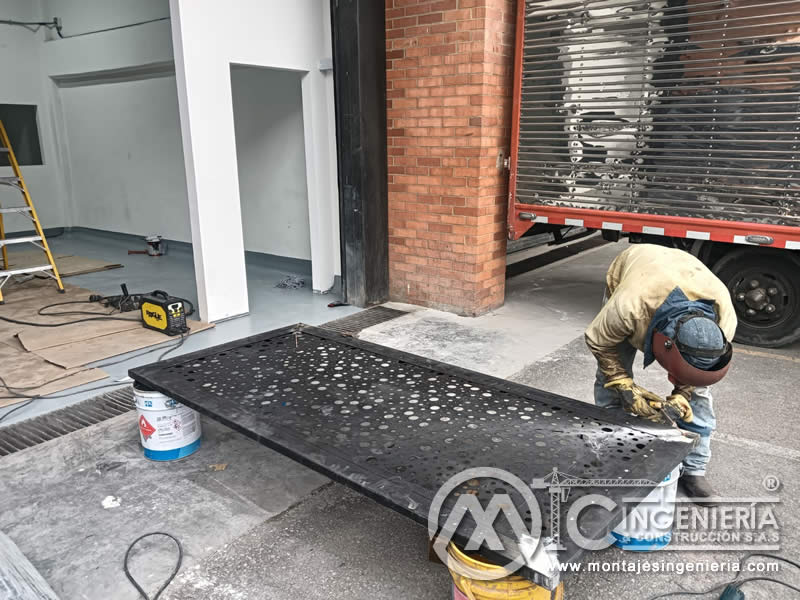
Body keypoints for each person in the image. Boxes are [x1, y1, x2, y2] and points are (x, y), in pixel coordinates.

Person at [585, 244, 736, 505]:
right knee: (609, 380)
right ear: (663, 344)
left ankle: (694, 470)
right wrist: (624, 387)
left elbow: (698, 375)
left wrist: (683, 395)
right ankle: (614, 452)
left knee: (699, 394)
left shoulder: (724, 321)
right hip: (638, 269)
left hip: (684, 272)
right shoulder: (628, 307)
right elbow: (600, 342)